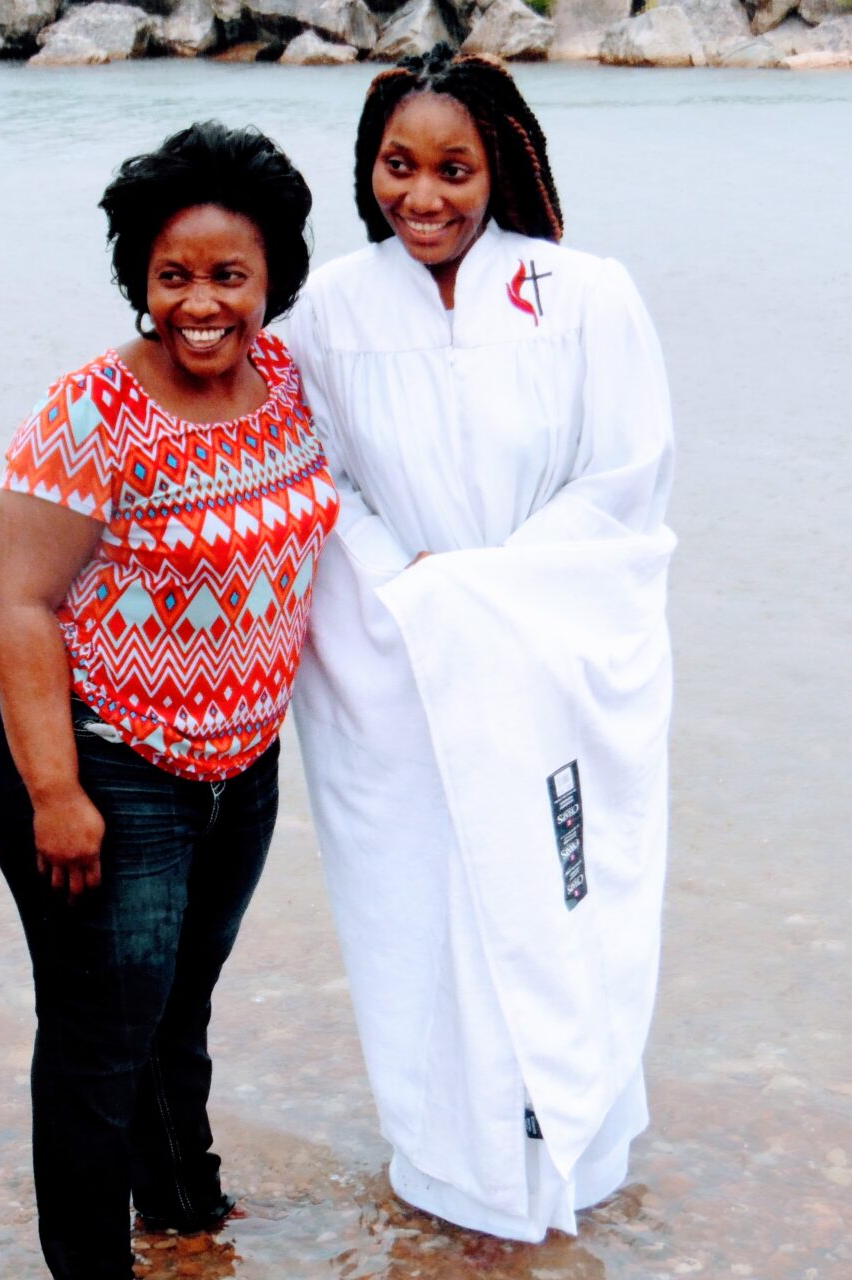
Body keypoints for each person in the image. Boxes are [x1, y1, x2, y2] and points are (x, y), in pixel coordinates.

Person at [286, 47, 677, 1242]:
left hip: (551, 655)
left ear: (498, 164)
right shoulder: (331, 313)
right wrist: (417, 591)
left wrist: (494, 596)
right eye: (398, 167)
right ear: (369, 172)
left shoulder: (584, 294)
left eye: (454, 168)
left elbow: (628, 473)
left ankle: (576, 1150)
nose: (426, 197)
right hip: (397, 650)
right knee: (424, 902)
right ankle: (452, 1162)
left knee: (567, 889)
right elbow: (320, 480)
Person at [0, 121, 337, 1279]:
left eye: (229, 274)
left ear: (272, 274)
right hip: (99, 760)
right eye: (173, 275)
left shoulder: (285, 379)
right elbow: (15, 598)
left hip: (239, 768)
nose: (202, 303)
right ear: (140, 277)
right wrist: (56, 789)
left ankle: (184, 1209)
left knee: (179, 1006)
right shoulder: (95, 411)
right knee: (98, 1033)